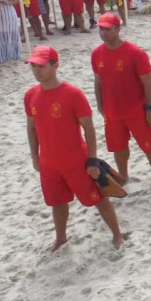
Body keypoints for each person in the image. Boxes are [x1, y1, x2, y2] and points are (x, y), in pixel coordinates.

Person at [24, 45, 125, 252]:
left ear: (56, 66)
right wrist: (35, 157)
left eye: (41, 66)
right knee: (57, 202)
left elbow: (89, 128)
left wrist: (93, 160)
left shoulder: (73, 94)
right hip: (49, 163)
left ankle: (117, 234)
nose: (37, 70)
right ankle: (61, 238)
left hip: (76, 161)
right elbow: (31, 127)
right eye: (33, 66)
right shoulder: (30, 95)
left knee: (98, 198)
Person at [92, 13, 151, 186]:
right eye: (101, 28)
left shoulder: (135, 53)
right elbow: (98, 81)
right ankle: (123, 176)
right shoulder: (96, 54)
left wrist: (148, 109)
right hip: (112, 112)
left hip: (135, 110)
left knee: (148, 145)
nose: (104, 32)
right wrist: (101, 106)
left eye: (108, 29)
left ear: (118, 29)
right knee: (118, 147)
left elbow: (147, 82)